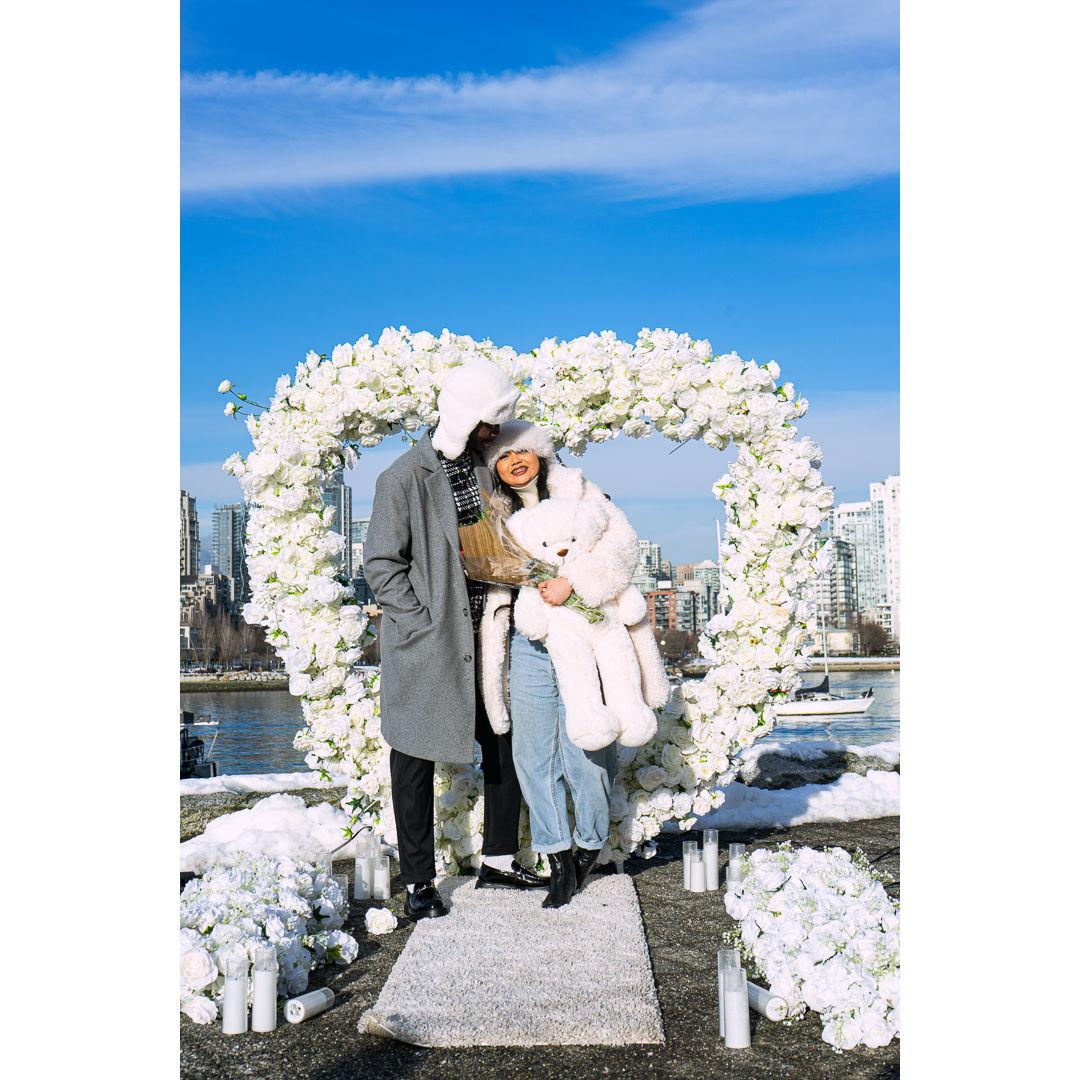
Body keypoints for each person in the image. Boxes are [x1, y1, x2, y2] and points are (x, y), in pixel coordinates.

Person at [363, 362, 549, 921]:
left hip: (492, 630)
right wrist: (419, 620)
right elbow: (381, 563)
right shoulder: (402, 478)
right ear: (464, 417)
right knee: (412, 757)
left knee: (503, 741)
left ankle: (499, 860)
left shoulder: (490, 465)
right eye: (488, 422)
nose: (496, 432)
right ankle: (419, 881)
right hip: (430, 640)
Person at [476, 421, 644, 908]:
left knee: (586, 749)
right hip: (528, 638)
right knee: (532, 753)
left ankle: (589, 842)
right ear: (496, 468)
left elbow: (623, 547)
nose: (515, 462)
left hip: (584, 633)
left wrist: (574, 581)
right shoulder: (493, 513)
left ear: (540, 454)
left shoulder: (581, 491)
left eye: (522, 452)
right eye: (504, 458)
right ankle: (557, 855)